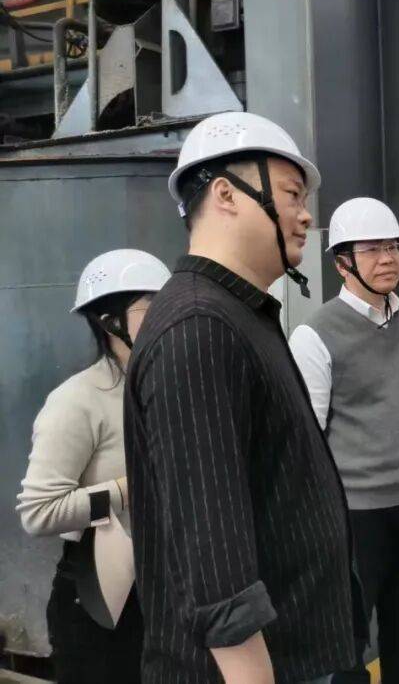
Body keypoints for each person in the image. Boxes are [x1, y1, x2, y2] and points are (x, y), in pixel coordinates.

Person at [123, 111, 357, 684]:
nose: (306, 215)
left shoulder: (239, 315)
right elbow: (212, 556)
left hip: (296, 653)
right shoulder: (199, 328)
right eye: (292, 194)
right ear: (226, 194)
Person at [289, 197, 399, 684]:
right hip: (354, 513)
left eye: (393, 246)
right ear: (342, 263)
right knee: (348, 635)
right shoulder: (315, 335)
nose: (387, 259)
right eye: (371, 249)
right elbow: (308, 439)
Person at [18, 248, 170, 684]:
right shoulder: (78, 399)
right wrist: (125, 490)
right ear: (109, 321)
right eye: (151, 308)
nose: (168, 319)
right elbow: (38, 512)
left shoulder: (170, 387)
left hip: (168, 588)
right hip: (101, 597)